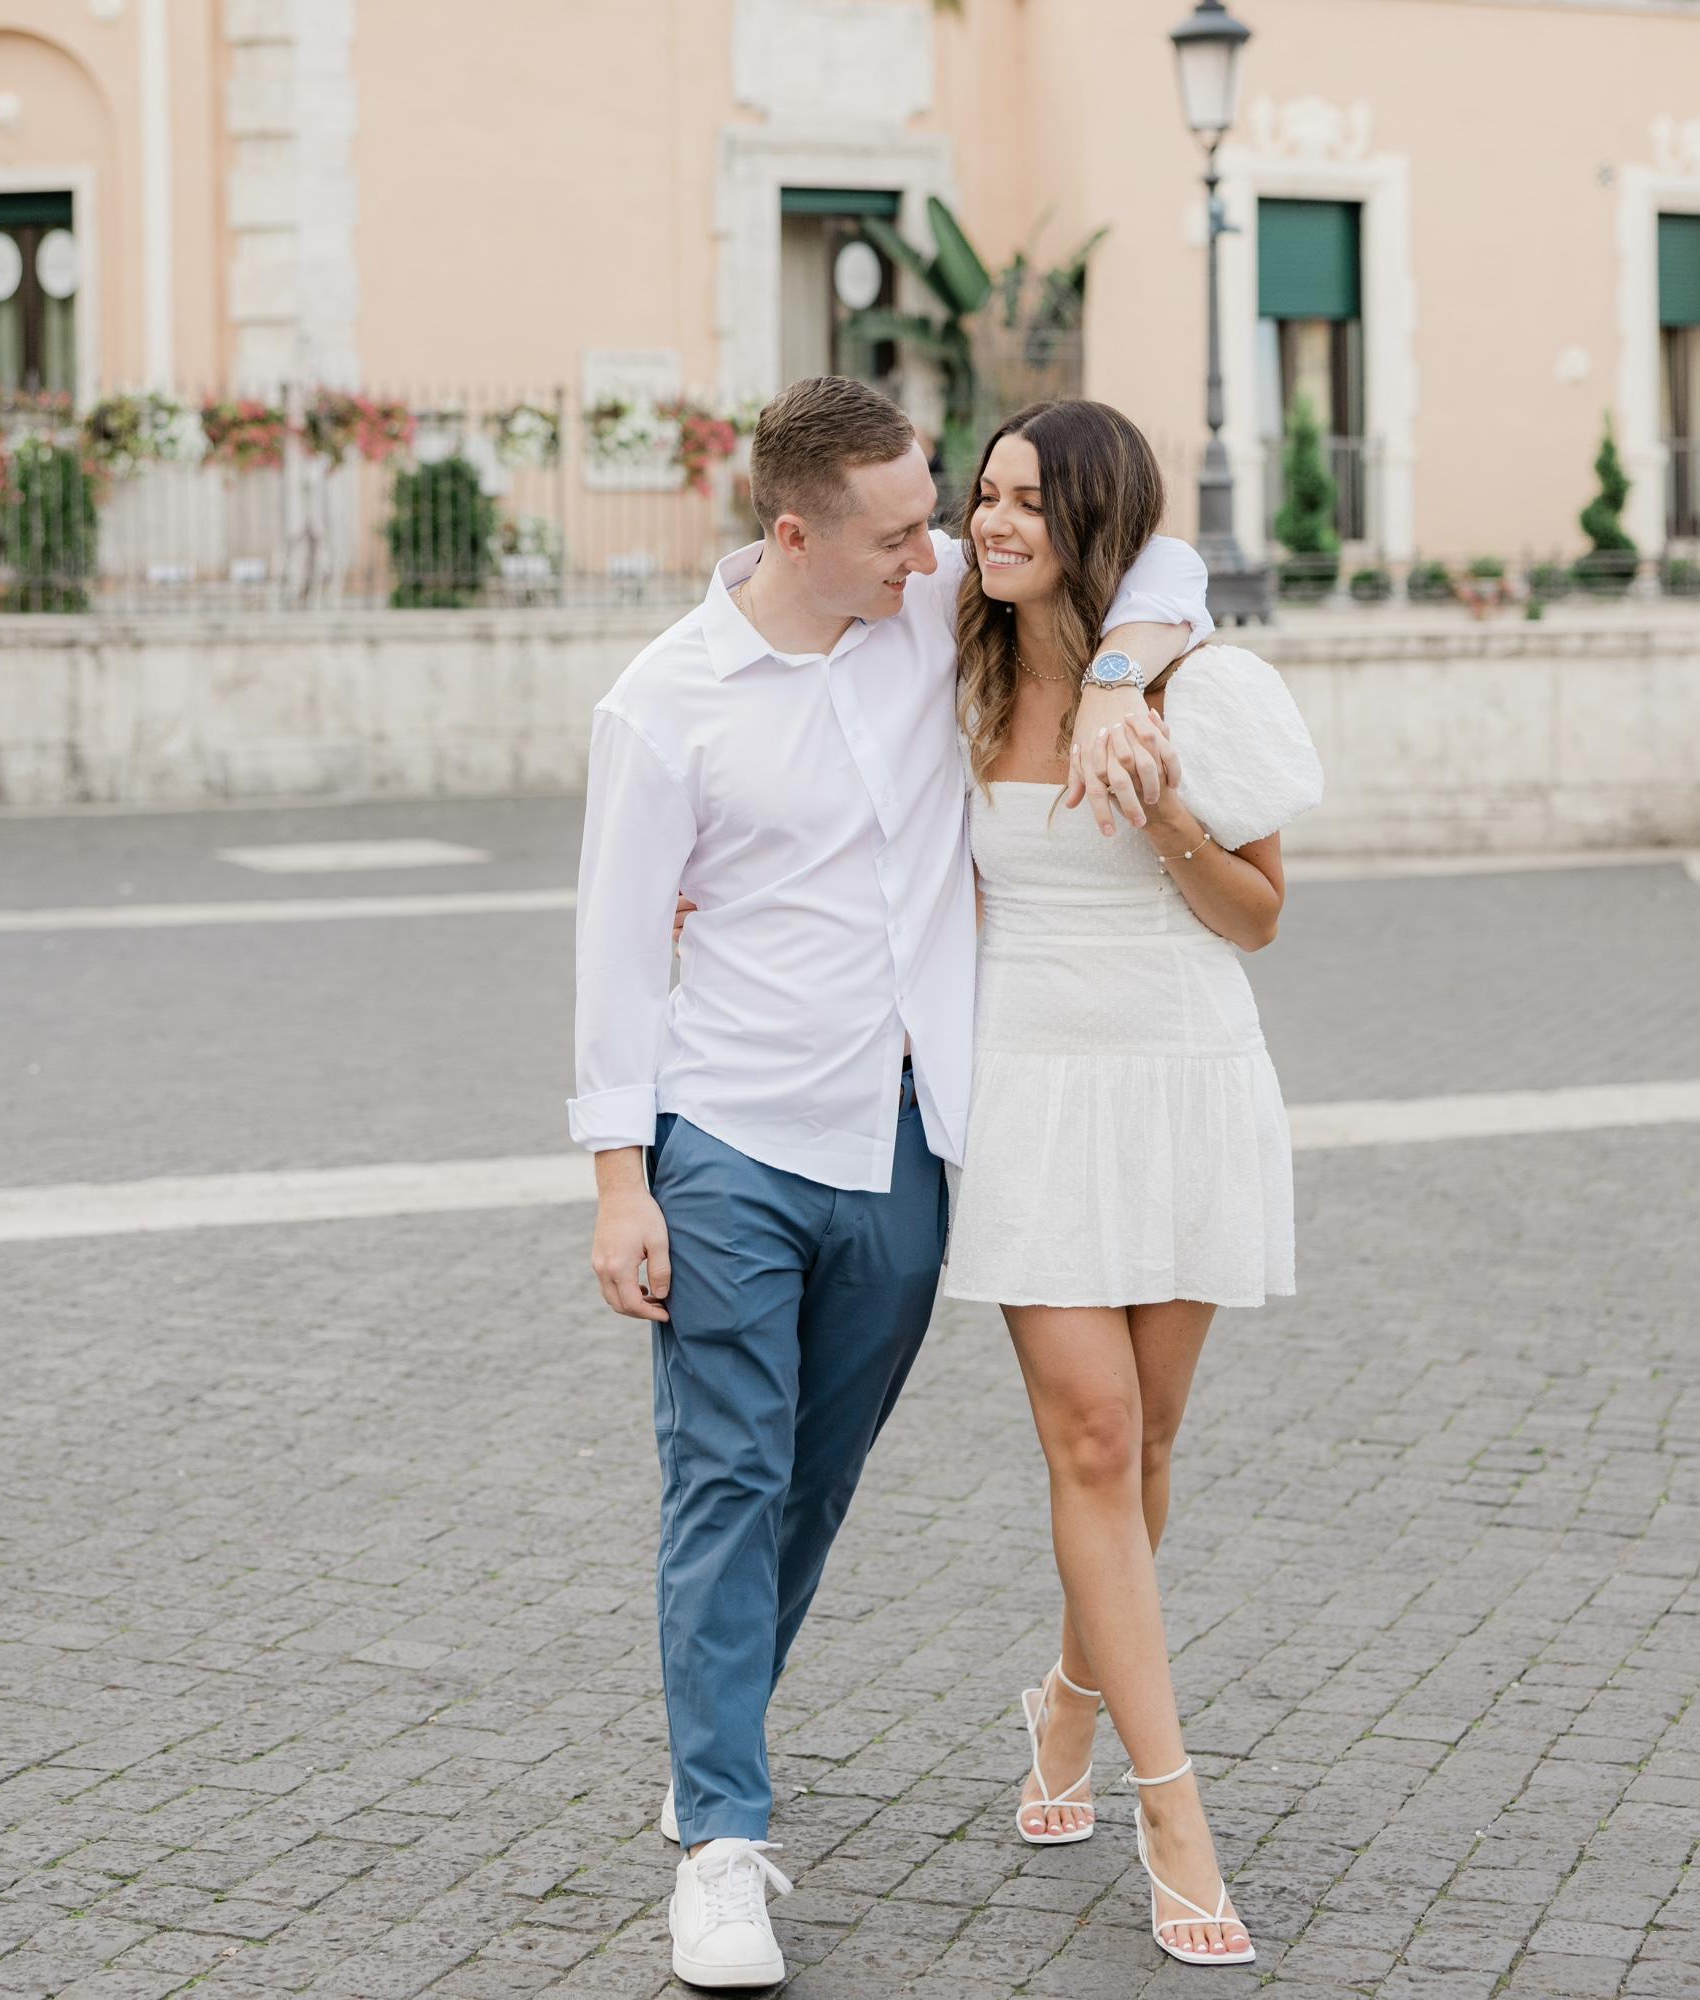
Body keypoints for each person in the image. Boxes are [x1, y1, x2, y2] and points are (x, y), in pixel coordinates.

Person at [567, 374, 1211, 1990]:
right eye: (904, 532)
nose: (940, 552)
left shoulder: (929, 621)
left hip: (907, 1145)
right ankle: (722, 1843)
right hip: (730, 1138)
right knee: (726, 1473)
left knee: (812, 1481)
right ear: (797, 535)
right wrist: (621, 1183)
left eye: (939, 517)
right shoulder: (663, 705)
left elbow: (1163, 561)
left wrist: (1117, 680)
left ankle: (710, 1731)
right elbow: (616, 954)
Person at [942, 399, 1322, 1969]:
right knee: (1094, 1435)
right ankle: (1176, 1813)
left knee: (1149, 1440)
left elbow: (1261, 917)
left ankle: (1070, 1699)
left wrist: (1162, 803)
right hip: (1029, 1093)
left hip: (1184, 1078)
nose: (994, 522)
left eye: (1030, 501)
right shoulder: (953, 674)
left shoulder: (1202, 684)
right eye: (986, 494)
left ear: (1093, 519)